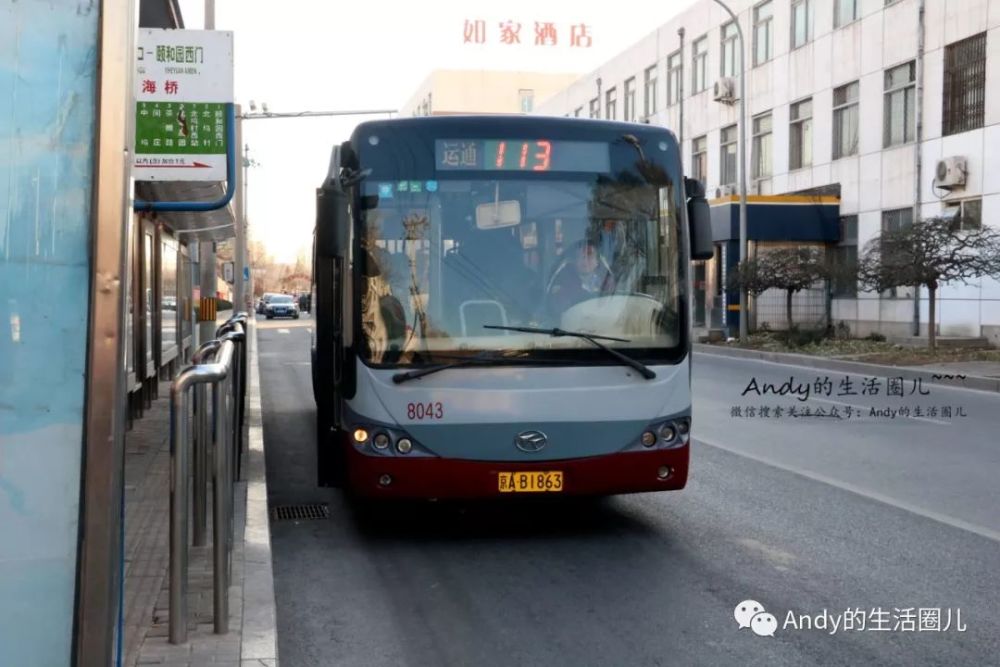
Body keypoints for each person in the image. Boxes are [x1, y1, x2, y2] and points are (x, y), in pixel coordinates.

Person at [545, 239, 616, 315]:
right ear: (575, 261)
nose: (585, 261)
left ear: (597, 261)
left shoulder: (607, 281)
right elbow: (557, 308)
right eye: (581, 256)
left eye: (590, 256)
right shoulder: (563, 280)